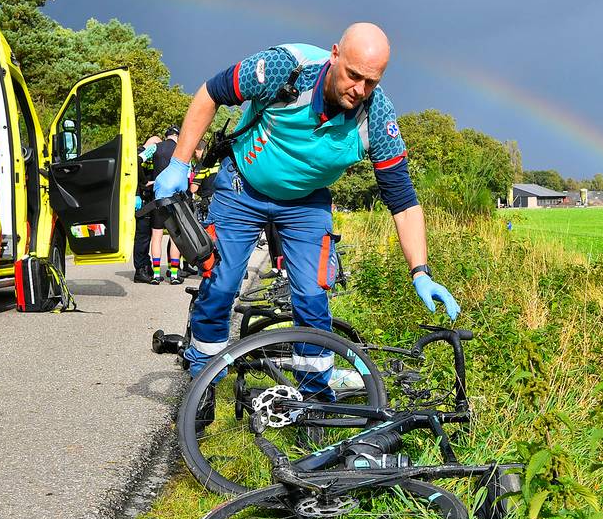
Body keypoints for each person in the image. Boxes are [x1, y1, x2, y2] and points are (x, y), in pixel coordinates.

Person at [155, 22, 459, 390]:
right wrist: (180, 163)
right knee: (221, 283)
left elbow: (403, 201)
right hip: (244, 185)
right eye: (353, 75)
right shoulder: (284, 69)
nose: (359, 90)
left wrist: (420, 272)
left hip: (306, 202)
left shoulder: (376, 118)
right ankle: (202, 375)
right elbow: (210, 92)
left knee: (313, 299)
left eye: (371, 83)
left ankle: (313, 398)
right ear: (334, 55)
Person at [150, 126, 184, 284]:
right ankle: (175, 275)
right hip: (174, 199)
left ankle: (156, 274)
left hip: (157, 199)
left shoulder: (156, 148)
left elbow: (138, 160)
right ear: (177, 136)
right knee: (175, 237)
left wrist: (147, 182)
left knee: (156, 237)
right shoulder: (181, 149)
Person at [132, 135, 162, 283]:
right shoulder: (139, 154)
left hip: (149, 199)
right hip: (141, 199)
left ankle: (146, 265)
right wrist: (144, 184)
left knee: (148, 236)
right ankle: (140, 270)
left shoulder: (148, 156)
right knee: (142, 236)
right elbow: (134, 173)